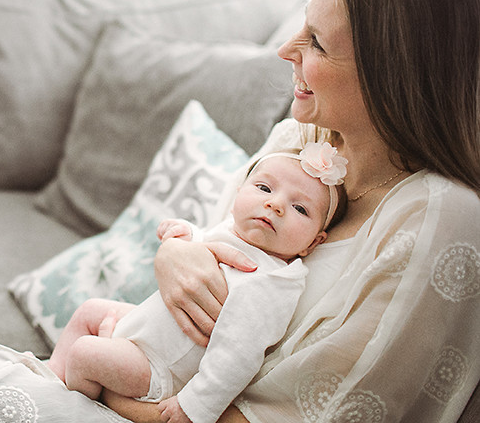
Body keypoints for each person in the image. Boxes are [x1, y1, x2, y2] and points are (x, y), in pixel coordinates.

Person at [0, 0, 480, 423]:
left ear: (394, 75)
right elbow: (226, 234)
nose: (286, 51)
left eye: (317, 42)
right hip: (145, 376)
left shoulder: (440, 220)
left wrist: (113, 394)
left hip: (166, 408)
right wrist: (176, 250)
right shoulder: (304, 142)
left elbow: (330, 405)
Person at [46, 143, 347, 423]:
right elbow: (203, 239)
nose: (275, 204)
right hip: (144, 333)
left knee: (85, 353)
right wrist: (183, 233)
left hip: (157, 368)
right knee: (90, 310)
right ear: (237, 196)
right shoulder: (234, 233)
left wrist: (194, 406)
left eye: (300, 209)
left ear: (313, 243)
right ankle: (49, 376)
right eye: (265, 188)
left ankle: (78, 406)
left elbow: (239, 355)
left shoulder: (272, 282)